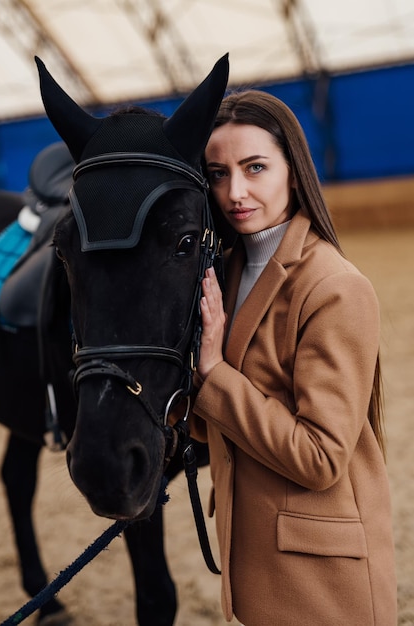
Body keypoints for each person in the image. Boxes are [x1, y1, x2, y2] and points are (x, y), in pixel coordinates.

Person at [189, 90, 398, 625]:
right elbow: (217, 425)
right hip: (257, 561)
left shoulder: (335, 288)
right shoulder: (227, 272)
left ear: (293, 169)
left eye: (255, 167)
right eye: (218, 173)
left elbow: (320, 456)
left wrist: (212, 375)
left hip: (320, 579)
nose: (235, 192)